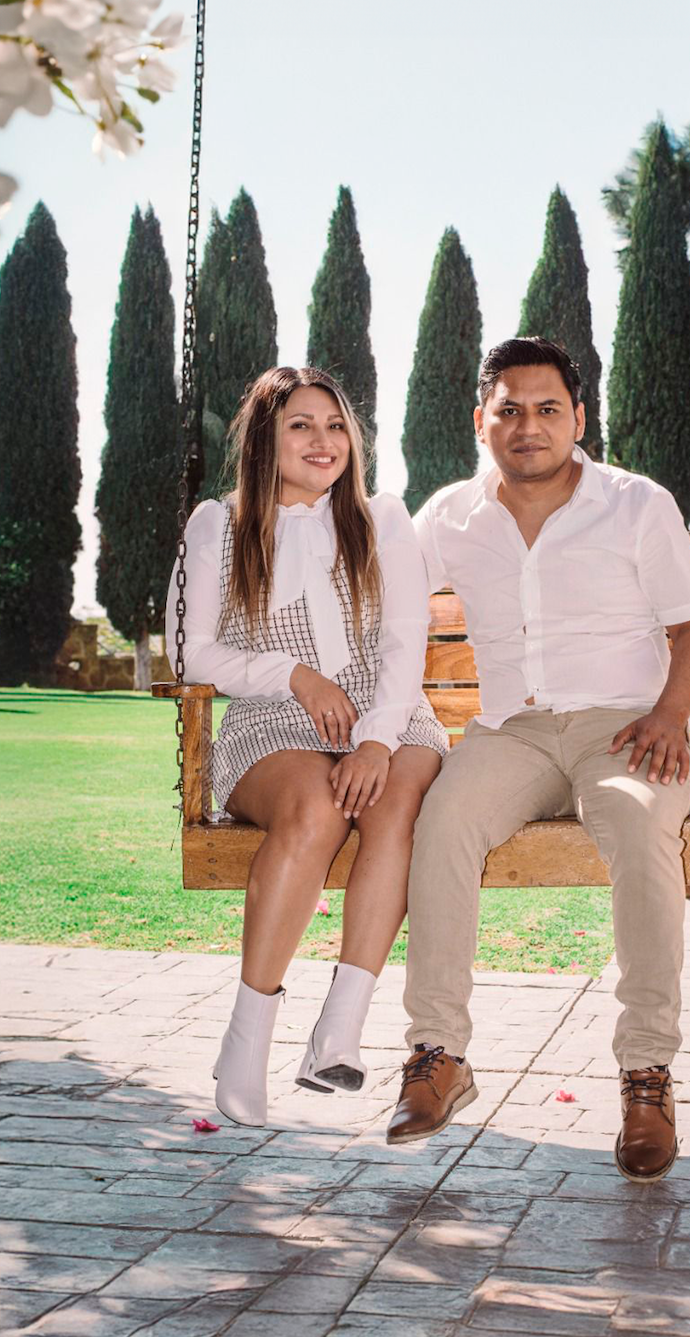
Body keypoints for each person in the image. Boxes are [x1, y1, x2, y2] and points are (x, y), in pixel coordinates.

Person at [387, 336, 690, 1181]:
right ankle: (438, 1054)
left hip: (627, 728)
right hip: (513, 731)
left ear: (578, 417)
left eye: (546, 409)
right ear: (481, 421)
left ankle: (646, 1075)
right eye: (509, 410)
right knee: (442, 821)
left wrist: (672, 715)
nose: (527, 426)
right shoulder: (450, 515)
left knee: (641, 831)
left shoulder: (635, 504)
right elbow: (377, 600)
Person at [165, 365, 446, 1127]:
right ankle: (246, 1038)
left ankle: (337, 1032)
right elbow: (191, 653)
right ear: (266, 439)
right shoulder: (218, 525)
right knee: (316, 811)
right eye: (301, 426)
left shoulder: (382, 518)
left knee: (396, 801)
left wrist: (376, 740)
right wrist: (293, 675)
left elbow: (404, 643)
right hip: (273, 716)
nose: (324, 441)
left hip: (389, 712)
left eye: (335, 425)